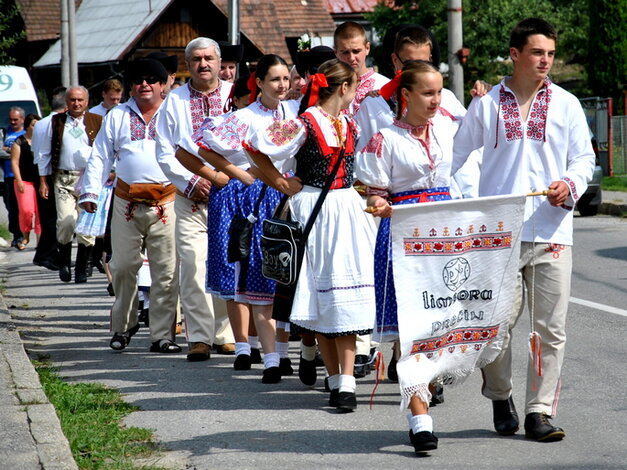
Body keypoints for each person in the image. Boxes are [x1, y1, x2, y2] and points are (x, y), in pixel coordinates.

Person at [452, 18, 595, 442]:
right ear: (515, 55)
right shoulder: (487, 105)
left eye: (550, 54)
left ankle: (539, 411)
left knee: (550, 328)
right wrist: (465, 209)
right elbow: (455, 159)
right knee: (495, 324)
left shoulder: (567, 103)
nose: (545, 61)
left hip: (552, 229)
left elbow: (583, 159)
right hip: (497, 233)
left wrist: (569, 185)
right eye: (537, 52)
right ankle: (500, 394)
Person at [247, 59, 377, 411]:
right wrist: (279, 182)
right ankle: (338, 381)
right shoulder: (305, 123)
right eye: (354, 87)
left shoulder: (348, 123)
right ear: (345, 88)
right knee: (320, 295)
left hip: (346, 209)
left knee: (344, 295)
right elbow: (253, 147)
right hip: (313, 210)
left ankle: (345, 381)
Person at [356, 60, 459, 454]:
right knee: (410, 333)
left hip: (446, 238)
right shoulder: (385, 139)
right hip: (404, 236)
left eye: (439, 92)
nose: (436, 100)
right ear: (407, 96)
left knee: (438, 328)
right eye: (429, 93)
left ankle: (428, 385)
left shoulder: (448, 129)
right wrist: (379, 202)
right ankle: (419, 420)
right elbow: (373, 191)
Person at [178, 54, 300, 383]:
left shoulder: (295, 112)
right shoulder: (245, 116)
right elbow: (199, 146)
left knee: (282, 270)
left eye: (285, 79)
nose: (282, 85)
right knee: (241, 267)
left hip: (283, 195)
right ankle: (245, 345)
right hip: (245, 197)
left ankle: (281, 352)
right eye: (274, 79)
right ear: (258, 83)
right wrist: (233, 173)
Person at [80, 58, 181, 353]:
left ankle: (162, 335)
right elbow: (100, 155)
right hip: (126, 202)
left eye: (152, 79)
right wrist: (90, 193)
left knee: (166, 271)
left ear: (164, 85)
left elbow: (189, 151)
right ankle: (123, 326)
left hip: (167, 201)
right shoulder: (118, 115)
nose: (144, 84)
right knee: (122, 267)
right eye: (138, 80)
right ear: (131, 87)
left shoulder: (174, 114)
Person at [156, 37, 235, 362]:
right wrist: (191, 182)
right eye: (196, 59)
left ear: (219, 62)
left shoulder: (235, 95)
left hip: (230, 195)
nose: (203, 64)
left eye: (208, 58)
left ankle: (226, 334)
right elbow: (164, 149)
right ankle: (199, 337)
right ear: (188, 66)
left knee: (230, 261)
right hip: (190, 199)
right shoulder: (174, 100)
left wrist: (228, 180)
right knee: (192, 265)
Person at [37, 86, 102, 283]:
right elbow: (44, 153)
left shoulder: (97, 121)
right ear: (67, 102)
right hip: (63, 179)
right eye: (72, 100)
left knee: (86, 227)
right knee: (66, 222)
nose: (76, 103)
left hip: (89, 180)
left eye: (80, 100)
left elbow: (106, 151)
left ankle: (82, 266)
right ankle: (64, 261)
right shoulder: (56, 122)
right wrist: (43, 181)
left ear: (87, 102)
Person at [31, 87, 66, 270]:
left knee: (49, 217)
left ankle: (50, 253)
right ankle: (45, 254)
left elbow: (34, 151)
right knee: (55, 217)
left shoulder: (40, 124)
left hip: (39, 172)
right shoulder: (56, 123)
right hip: (52, 174)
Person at [333, 21, 389, 116]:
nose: (351, 58)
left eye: (356, 51)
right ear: (335, 52)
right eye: (345, 52)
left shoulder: (383, 85)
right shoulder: (329, 88)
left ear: (367, 48)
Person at [10, 113, 42, 250]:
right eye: (34, 125)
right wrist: (19, 181)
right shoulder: (19, 142)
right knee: (26, 210)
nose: (36, 128)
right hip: (25, 181)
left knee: (41, 212)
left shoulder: (43, 141)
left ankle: (41, 242)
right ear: (28, 126)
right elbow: (14, 162)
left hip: (41, 181)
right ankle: (26, 236)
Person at [2, 106, 26, 248]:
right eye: (11, 120)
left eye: (16, 120)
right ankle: (16, 233)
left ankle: (21, 235)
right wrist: (16, 151)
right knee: (11, 207)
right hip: (7, 176)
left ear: (22, 119)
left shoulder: (25, 133)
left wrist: (9, 150)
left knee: (22, 208)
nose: (13, 122)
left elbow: (27, 154)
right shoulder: (4, 133)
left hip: (22, 177)